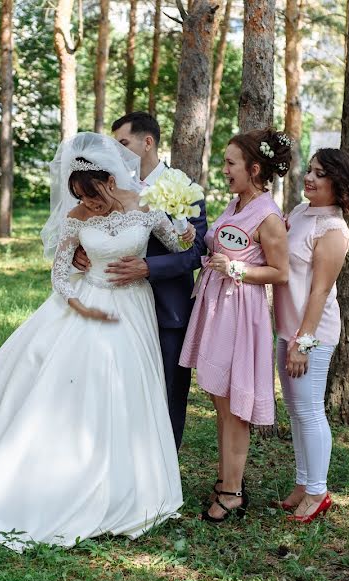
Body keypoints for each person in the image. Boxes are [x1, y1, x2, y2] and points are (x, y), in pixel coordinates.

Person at [0, 133, 192, 551]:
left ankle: (132, 486)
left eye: (93, 196)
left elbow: (180, 243)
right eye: (80, 198)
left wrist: (180, 222)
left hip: (133, 309)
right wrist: (77, 302)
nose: (88, 205)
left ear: (110, 181)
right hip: (87, 302)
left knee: (129, 389)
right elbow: (58, 270)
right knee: (74, 384)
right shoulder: (77, 215)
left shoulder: (145, 203)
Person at [73, 111, 207, 449]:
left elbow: (195, 253)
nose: (116, 152)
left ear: (147, 143)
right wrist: (80, 253)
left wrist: (149, 267)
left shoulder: (183, 188)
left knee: (168, 393)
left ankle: (163, 472)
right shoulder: (108, 184)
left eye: (123, 143)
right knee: (114, 390)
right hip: (117, 304)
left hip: (167, 309)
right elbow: (85, 229)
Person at [179, 128, 291, 523]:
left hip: (241, 313)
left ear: (254, 168)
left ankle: (232, 491)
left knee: (234, 407)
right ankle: (227, 480)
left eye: (231, 163)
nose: (224, 169)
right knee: (220, 402)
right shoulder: (235, 203)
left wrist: (238, 269)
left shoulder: (269, 215)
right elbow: (222, 243)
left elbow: (280, 272)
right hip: (216, 307)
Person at [273, 149, 349, 523]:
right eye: (308, 170)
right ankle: (302, 484)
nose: (309, 178)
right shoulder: (299, 211)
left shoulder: (334, 230)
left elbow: (320, 292)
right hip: (287, 328)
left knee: (309, 411)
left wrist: (303, 342)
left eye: (319, 174)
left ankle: (319, 491)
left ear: (337, 184)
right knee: (295, 410)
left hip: (312, 335)